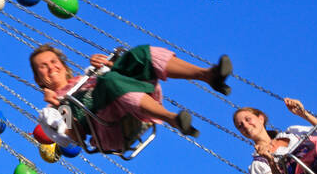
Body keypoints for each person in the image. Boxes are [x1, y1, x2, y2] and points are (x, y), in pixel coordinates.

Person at [32, 43, 232, 150]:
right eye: (43, 66)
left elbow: (115, 74)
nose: (51, 67)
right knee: (109, 81)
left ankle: (207, 75)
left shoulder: (87, 75)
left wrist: (109, 65)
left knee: (139, 54)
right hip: (109, 129)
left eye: (53, 61)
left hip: (131, 102)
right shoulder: (51, 111)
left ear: (63, 65)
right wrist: (61, 107)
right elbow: (76, 138)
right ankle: (172, 119)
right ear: (38, 78)